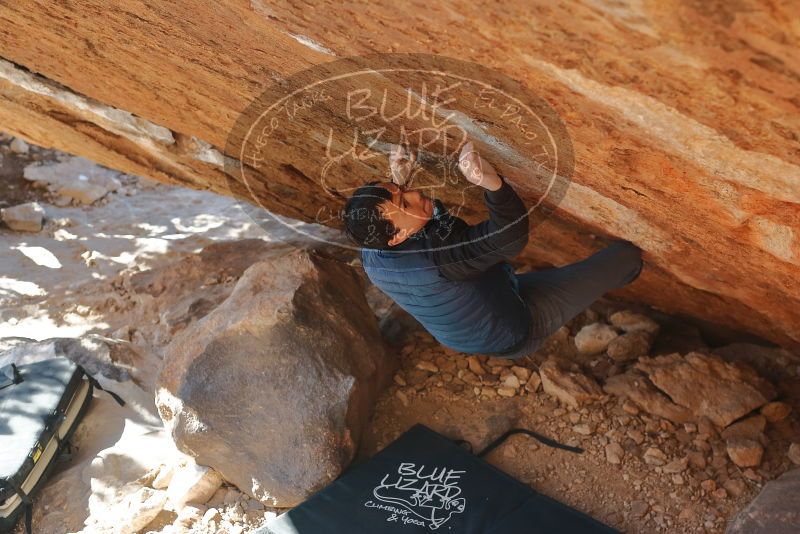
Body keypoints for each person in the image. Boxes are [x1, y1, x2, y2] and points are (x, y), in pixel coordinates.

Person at [343, 142, 643, 359]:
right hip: (513, 329)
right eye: (405, 202)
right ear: (395, 238)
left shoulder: (372, 252)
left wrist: (397, 181)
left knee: (508, 279)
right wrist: (491, 183)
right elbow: (509, 238)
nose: (415, 194)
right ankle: (632, 285)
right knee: (623, 256)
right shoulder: (441, 259)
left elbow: (396, 224)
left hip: (474, 320)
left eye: (403, 193)